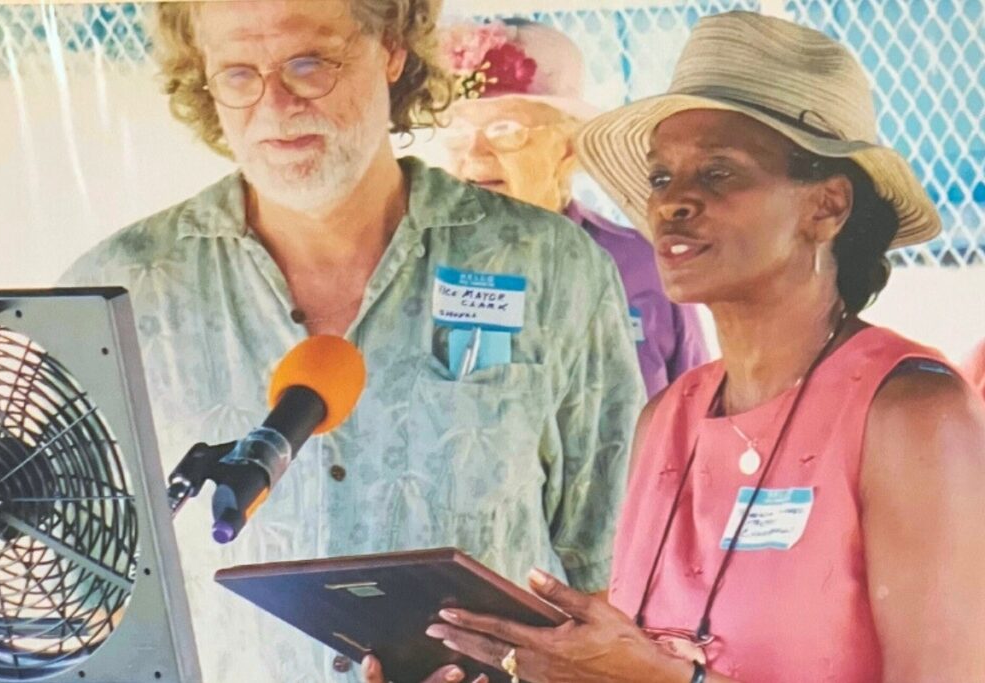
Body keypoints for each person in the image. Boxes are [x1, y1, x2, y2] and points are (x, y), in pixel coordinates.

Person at [364, 10, 985, 683]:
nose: (673, 204)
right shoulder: (668, 416)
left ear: (827, 206)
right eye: (661, 179)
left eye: (719, 174)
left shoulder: (911, 413)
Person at [60, 1, 644, 681]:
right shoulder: (118, 292)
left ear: (393, 47)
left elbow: (611, 582)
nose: (275, 105)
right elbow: (80, 600)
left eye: (309, 64)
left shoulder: (549, 267)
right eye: (238, 74)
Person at [432, 19, 708, 397]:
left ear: (568, 148)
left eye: (505, 131)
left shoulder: (644, 264)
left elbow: (701, 414)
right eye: (459, 133)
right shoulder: (428, 267)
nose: (475, 155)